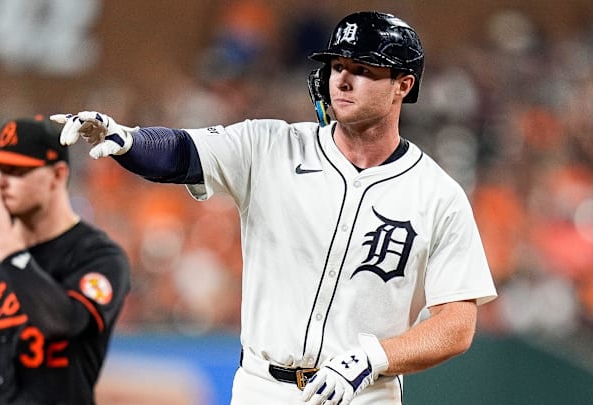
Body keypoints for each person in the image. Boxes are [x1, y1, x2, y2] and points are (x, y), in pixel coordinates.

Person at [52, 10, 497, 405]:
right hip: (263, 388)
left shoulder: (436, 193)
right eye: (336, 66)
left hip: (365, 393)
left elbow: (457, 324)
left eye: (362, 69)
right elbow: (181, 152)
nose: (341, 79)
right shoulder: (270, 147)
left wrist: (374, 357)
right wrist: (128, 140)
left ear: (403, 84)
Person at [0, 117, 131, 405]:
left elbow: (63, 322)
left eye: (17, 170)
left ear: (57, 175)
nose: (0, 182)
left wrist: (8, 249)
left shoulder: (97, 255)